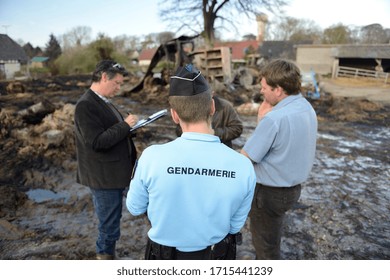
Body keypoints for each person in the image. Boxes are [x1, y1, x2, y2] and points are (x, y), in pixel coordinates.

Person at [126, 64, 256, 260]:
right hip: (217, 254)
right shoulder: (243, 166)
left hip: (163, 256)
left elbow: (135, 207)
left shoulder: (151, 157)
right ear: (212, 107)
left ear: (174, 115)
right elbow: (235, 225)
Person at [240, 59, 317, 259]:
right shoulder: (305, 107)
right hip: (292, 190)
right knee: (272, 236)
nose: (261, 92)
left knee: (265, 249)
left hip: (268, 194)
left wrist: (262, 121)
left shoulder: (275, 119)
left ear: (279, 90)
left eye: (264, 87)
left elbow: (247, 157)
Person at [74, 60, 138, 260]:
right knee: (109, 224)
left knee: (131, 211)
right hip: (103, 177)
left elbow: (111, 132)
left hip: (118, 172)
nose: (119, 88)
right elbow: (96, 141)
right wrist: (125, 126)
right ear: (103, 77)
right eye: (117, 83)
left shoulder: (103, 101)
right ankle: (104, 257)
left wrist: (130, 129)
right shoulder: (85, 105)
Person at [175, 93, 243, 148]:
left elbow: (237, 128)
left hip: (220, 150)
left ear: (212, 93)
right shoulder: (189, 106)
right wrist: (193, 133)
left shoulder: (225, 106)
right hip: (194, 150)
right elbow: (178, 130)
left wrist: (214, 133)